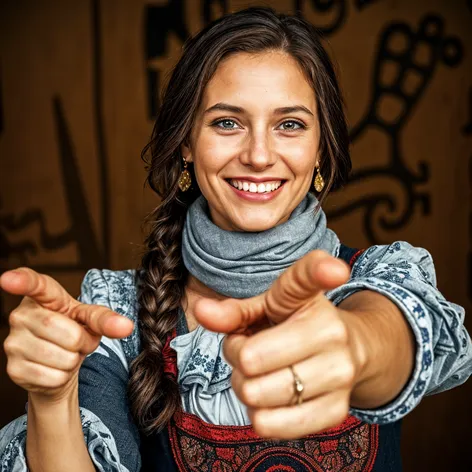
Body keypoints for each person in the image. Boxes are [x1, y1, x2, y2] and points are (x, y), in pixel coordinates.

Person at [0, 7, 471, 472]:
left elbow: (394, 334)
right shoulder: (117, 314)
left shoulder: (378, 276)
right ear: (187, 142)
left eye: (290, 124)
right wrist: (51, 396)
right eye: (228, 122)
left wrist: (353, 346)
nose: (259, 155)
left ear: (321, 148)